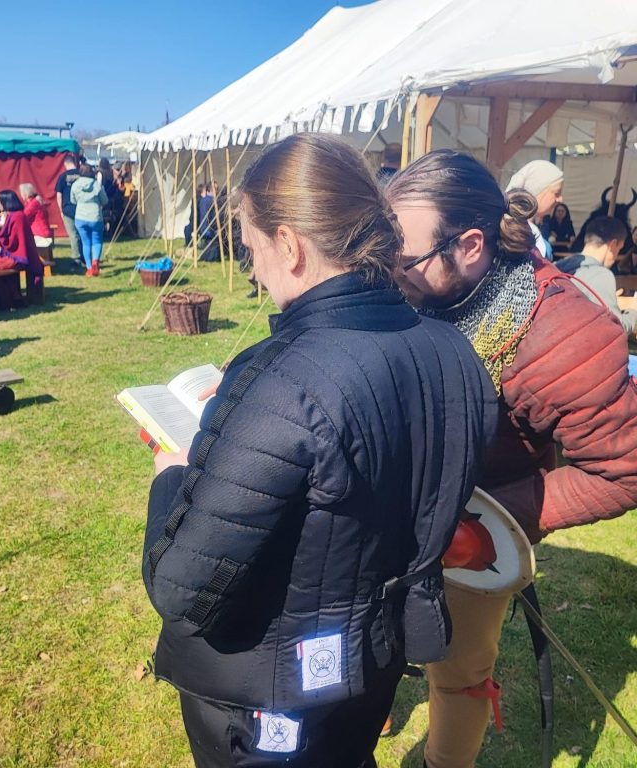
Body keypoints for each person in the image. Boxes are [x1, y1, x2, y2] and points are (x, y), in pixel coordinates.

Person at [142, 134, 497, 768]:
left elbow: (181, 588)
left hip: (265, 694)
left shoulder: (284, 378)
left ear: (289, 244)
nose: (254, 271)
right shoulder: (453, 352)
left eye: (251, 249)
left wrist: (172, 475)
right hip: (371, 661)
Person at [385, 149, 637, 768]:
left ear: (471, 245)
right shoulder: (414, 279)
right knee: (372, 630)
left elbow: (622, 470)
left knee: (458, 669)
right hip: (390, 505)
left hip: (471, 526)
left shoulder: (563, 333)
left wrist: (483, 526)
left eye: (403, 258)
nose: (388, 271)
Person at [556, 216, 636, 335]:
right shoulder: (602, 275)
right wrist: (633, 310)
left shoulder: (559, 265)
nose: (615, 257)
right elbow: (615, 331)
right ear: (613, 244)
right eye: (619, 249)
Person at [504, 159, 564, 260]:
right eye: (556, 193)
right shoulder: (515, 231)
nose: (560, 199)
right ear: (537, 191)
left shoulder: (536, 226)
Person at [0, 190, 44, 279]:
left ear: (5, 202)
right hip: (14, 255)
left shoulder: (17, 217)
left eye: (0, 202)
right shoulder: (15, 215)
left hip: (16, 258)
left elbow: (11, 243)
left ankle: (4, 287)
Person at [70, 164, 108, 276]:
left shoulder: (75, 185)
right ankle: (95, 260)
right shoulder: (97, 185)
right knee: (97, 241)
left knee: (85, 243)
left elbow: (73, 201)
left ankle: (89, 268)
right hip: (95, 216)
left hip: (80, 217)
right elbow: (105, 201)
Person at [55, 154, 83, 265]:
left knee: (73, 234)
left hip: (68, 208)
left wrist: (61, 210)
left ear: (65, 164)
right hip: (81, 208)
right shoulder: (81, 175)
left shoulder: (62, 177)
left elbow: (59, 195)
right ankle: (85, 256)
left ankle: (76, 257)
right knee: (82, 233)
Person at [19, 183, 53, 247]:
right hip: (41, 231)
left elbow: (23, 216)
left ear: (25, 193)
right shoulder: (36, 201)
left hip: (39, 233)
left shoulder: (33, 203)